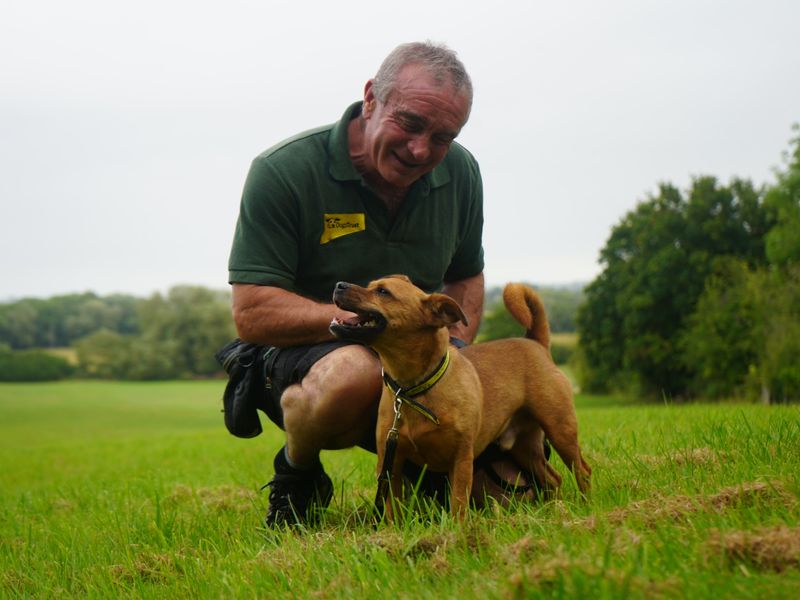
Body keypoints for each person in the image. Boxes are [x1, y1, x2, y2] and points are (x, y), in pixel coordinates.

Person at [227, 41, 527, 527]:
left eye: (443, 137)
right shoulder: (282, 171)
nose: (420, 150)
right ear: (371, 98)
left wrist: (453, 352)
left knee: (513, 495)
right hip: (306, 349)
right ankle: (297, 474)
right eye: (409, 124)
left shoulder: (462, 172)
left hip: (416, 358)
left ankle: (419, 470)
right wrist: (364, 321)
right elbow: (252, 312)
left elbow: (466, 274)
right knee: (355, 373)